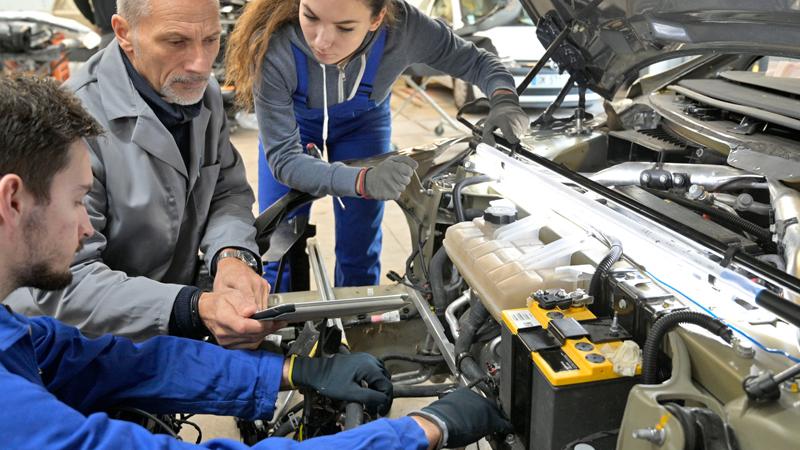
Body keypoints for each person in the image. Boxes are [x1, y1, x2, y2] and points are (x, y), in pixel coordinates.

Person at [0, 74, 513, 449]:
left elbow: (118, 363)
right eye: (76, 201)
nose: (88, 227)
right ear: (13, 200)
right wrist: (420, 429)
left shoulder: (12, 331)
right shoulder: (14, 416)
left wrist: (295, 371)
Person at [7, 0, 278, 349]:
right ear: (124, 33)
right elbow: (62, 281)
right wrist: (190, 307)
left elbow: (226, 191)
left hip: (173, 316)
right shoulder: (69, 125)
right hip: (81, 342)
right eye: (176, 42)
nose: (200, 64)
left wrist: (232, 257)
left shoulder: (201, 94)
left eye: (211, 40)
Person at [225, 0, 529, 291]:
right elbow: (285, 161)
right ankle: (278, 331)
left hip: (363, 124)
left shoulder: (406, 29)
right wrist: (361, 179)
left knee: (360, 241)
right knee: (278, 241)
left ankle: (358, 326)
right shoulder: (272, 45)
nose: (322, 41)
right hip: (294, 124)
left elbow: (477, 61)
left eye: (344, 28)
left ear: (377, 18)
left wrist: (503, 98)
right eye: (311, 16)